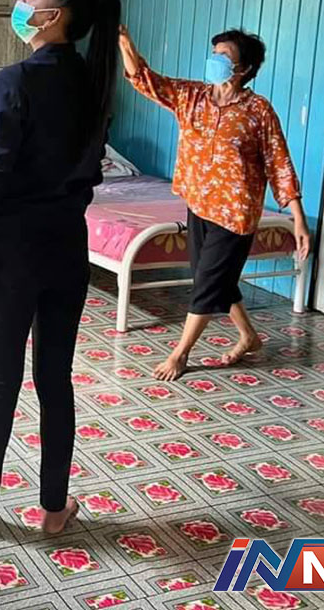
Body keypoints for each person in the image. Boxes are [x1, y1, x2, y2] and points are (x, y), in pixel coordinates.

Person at [0, 0, 120, 538]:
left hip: (12, 252)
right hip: (68, 248)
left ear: (55, 15)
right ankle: (53, 509)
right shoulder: (94, 83)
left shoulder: (15, 81)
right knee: (55, 379)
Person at [119, 27, 311, 381]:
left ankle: (180, 353)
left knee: (207, 283)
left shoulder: (258, 111)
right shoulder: (192, 96)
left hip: (236, 213)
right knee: (213, 278)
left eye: (225, 56)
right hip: (198, 204)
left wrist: (297, 218)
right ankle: (249, 337)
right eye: (215, 54)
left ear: (244, 68)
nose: (215, 61)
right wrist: (124, 41)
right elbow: (145, 80)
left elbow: (279, 163)